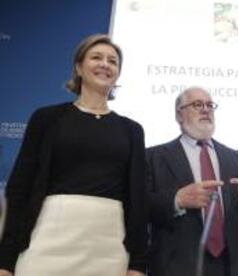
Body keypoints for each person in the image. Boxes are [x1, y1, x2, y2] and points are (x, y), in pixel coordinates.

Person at [0, 34, 148, 276]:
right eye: (96, 57)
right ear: (79, 67)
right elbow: (20, 188)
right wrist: (5, 261)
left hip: (109, 246)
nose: (105, 64)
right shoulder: (46, 119)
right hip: (47, 238)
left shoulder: (132, 130)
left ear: (118, 73)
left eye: (113, 61)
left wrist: (138, 264)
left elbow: (138, 200)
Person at [146, 86, 238, 276]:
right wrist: (177, 200)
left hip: (232, 267)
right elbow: (141, 208)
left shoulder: (235, 157)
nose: (205, 109)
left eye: (209, 105)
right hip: (177, 266)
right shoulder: (154, 157)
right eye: (197, 104)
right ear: (179, 115)